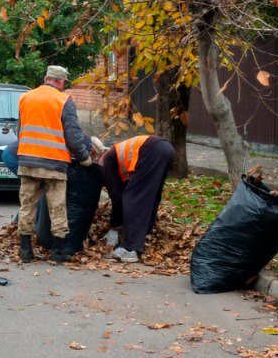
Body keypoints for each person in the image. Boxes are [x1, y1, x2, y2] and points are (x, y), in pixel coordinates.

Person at [16, 65, 92, 263]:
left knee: (27, 206)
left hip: (28, 161)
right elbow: (74, 136)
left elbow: (20, 130)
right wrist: (84, 158)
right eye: (64, 83)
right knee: (57, 207)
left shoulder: (26, 98)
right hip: (54, 164)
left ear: (46, 78)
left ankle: (25, 251)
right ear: (60, 82)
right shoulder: (64, 101)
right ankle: (57, 253)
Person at [98, 133, 176, 263]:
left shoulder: (105, 162)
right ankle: (145, 232)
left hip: (151, 150)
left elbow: (117, 196)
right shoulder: (114, 154)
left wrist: (114, 227)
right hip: (165, 148)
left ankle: (130, 248)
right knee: (150, 195)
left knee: (133, 197)